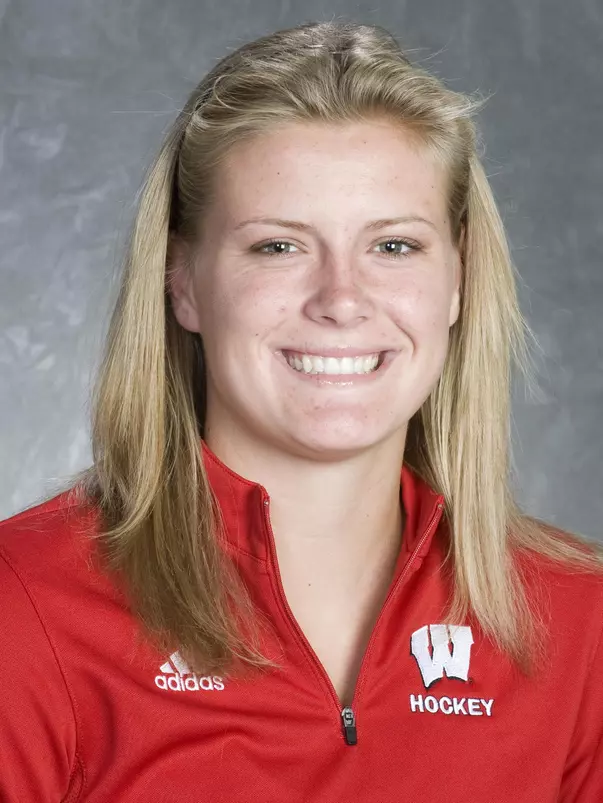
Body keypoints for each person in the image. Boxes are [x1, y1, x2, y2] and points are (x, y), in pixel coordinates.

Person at [1, 19, 602, 803]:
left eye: (393, 246)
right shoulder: (25, 607)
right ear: (180, 279)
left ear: (457, 274)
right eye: (278, 246)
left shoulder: (579, 622)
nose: (341, 301)